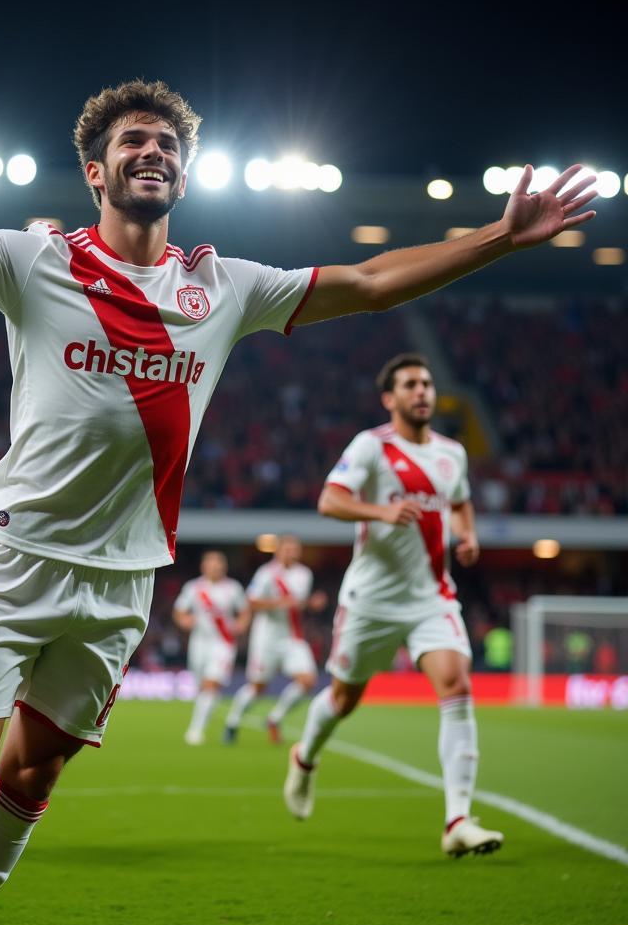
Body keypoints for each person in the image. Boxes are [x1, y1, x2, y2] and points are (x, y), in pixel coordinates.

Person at [0, 53, 595, 925]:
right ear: (96, 170)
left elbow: (366, 284)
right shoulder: (33, 263)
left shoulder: (226, 287)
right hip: (19, 561)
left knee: (30, 783)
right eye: (133, 140)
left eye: (167, 142)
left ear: (184, 170)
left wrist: (497, 238)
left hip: (125, 582)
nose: (152, 150)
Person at [285, 353, 502, 857]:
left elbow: (462, 500)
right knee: (343, 699)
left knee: (457, 686)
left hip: (432, 597)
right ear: (391, 398)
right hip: (371, 601)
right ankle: (305, 757)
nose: (422, 391)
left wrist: (467, 534)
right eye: (410, 385)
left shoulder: (452, 453)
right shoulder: (371, 446)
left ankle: (458, 820)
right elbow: (330, 500)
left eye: (426, 383)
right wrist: (379, 509)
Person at [223, 535, 326, 744]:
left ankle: (274, 718)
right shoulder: (266, 574)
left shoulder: (304, 574)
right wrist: (279, 603)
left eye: (294, 548)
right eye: (286, 548)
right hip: (266, 637)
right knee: (259, 688)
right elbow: (251, 602)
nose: (291, 552)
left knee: (308, 681)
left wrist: (311, 604)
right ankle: (233, 720)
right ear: (278, 551)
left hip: (292, 636)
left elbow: (298, 603)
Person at [172, 550, 248, 745]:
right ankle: (202, 719)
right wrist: (185, 620)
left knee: (211, 684)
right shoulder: (194, 588)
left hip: (223, 643)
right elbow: (179, 611)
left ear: (224, 567)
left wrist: (241, 624)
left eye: (219, 564)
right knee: (202, 687)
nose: (216, 567)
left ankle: (195, 730)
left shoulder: (233, 588)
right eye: (211, 564)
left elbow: (245, 611)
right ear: (204, 567)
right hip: (199, 643)